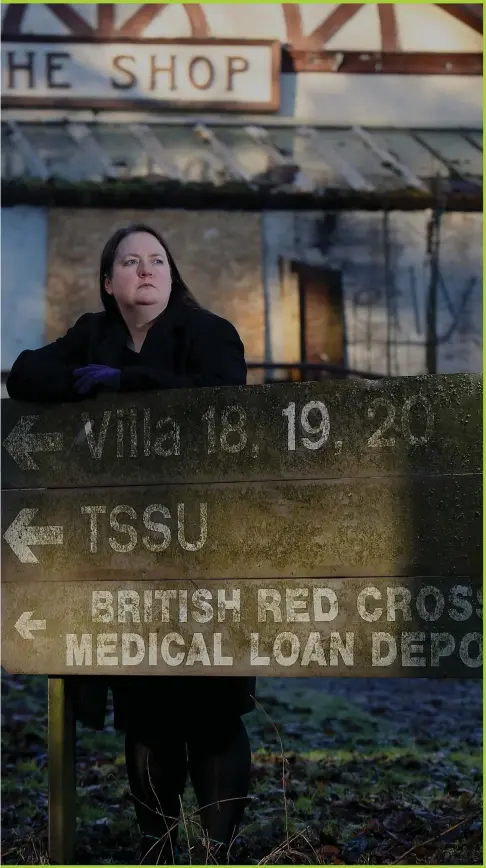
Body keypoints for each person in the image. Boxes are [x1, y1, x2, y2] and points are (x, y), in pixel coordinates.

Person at [6, 223, 256, 864]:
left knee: (212, 707)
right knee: (146, 710)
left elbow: (223, 400)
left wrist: (125, 383)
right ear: (110, 281)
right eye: (130, 261)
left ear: (171, 276)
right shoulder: (93, 333)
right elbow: (27, 375)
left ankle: (219, 849)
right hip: (123, 559)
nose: (145, 270)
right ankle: (159, 846)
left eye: (157, 261)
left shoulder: (208, 332)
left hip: (209, 549)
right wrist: (86, 380)